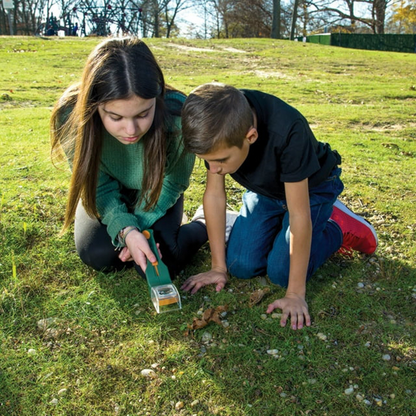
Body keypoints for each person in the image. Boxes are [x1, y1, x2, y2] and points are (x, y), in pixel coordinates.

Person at [180, 83, 378, 330]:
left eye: (220, 160)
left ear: (250, 136)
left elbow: (298, 214)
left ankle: (336, 226)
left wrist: (295, 293)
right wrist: (218, 267)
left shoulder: (288, 130)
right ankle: (270, 229)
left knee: (281, 272)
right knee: (240, 265)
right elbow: (215, 195)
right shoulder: (218, 123)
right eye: (207, 161)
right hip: (266, 191)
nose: (214, 168)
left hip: (310, 190)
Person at [50, 37, 208, 278]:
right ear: (95, 105)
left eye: (143, 114)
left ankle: (203, 223)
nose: (132, 131)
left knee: (165, 257)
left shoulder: (178, 114)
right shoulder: (71, 116)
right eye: (116, 118)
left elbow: (172, 182)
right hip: (105, 191)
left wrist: (138, 227)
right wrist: (126, 231)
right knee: (99, 253)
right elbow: (97, 187)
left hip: (158, 189)